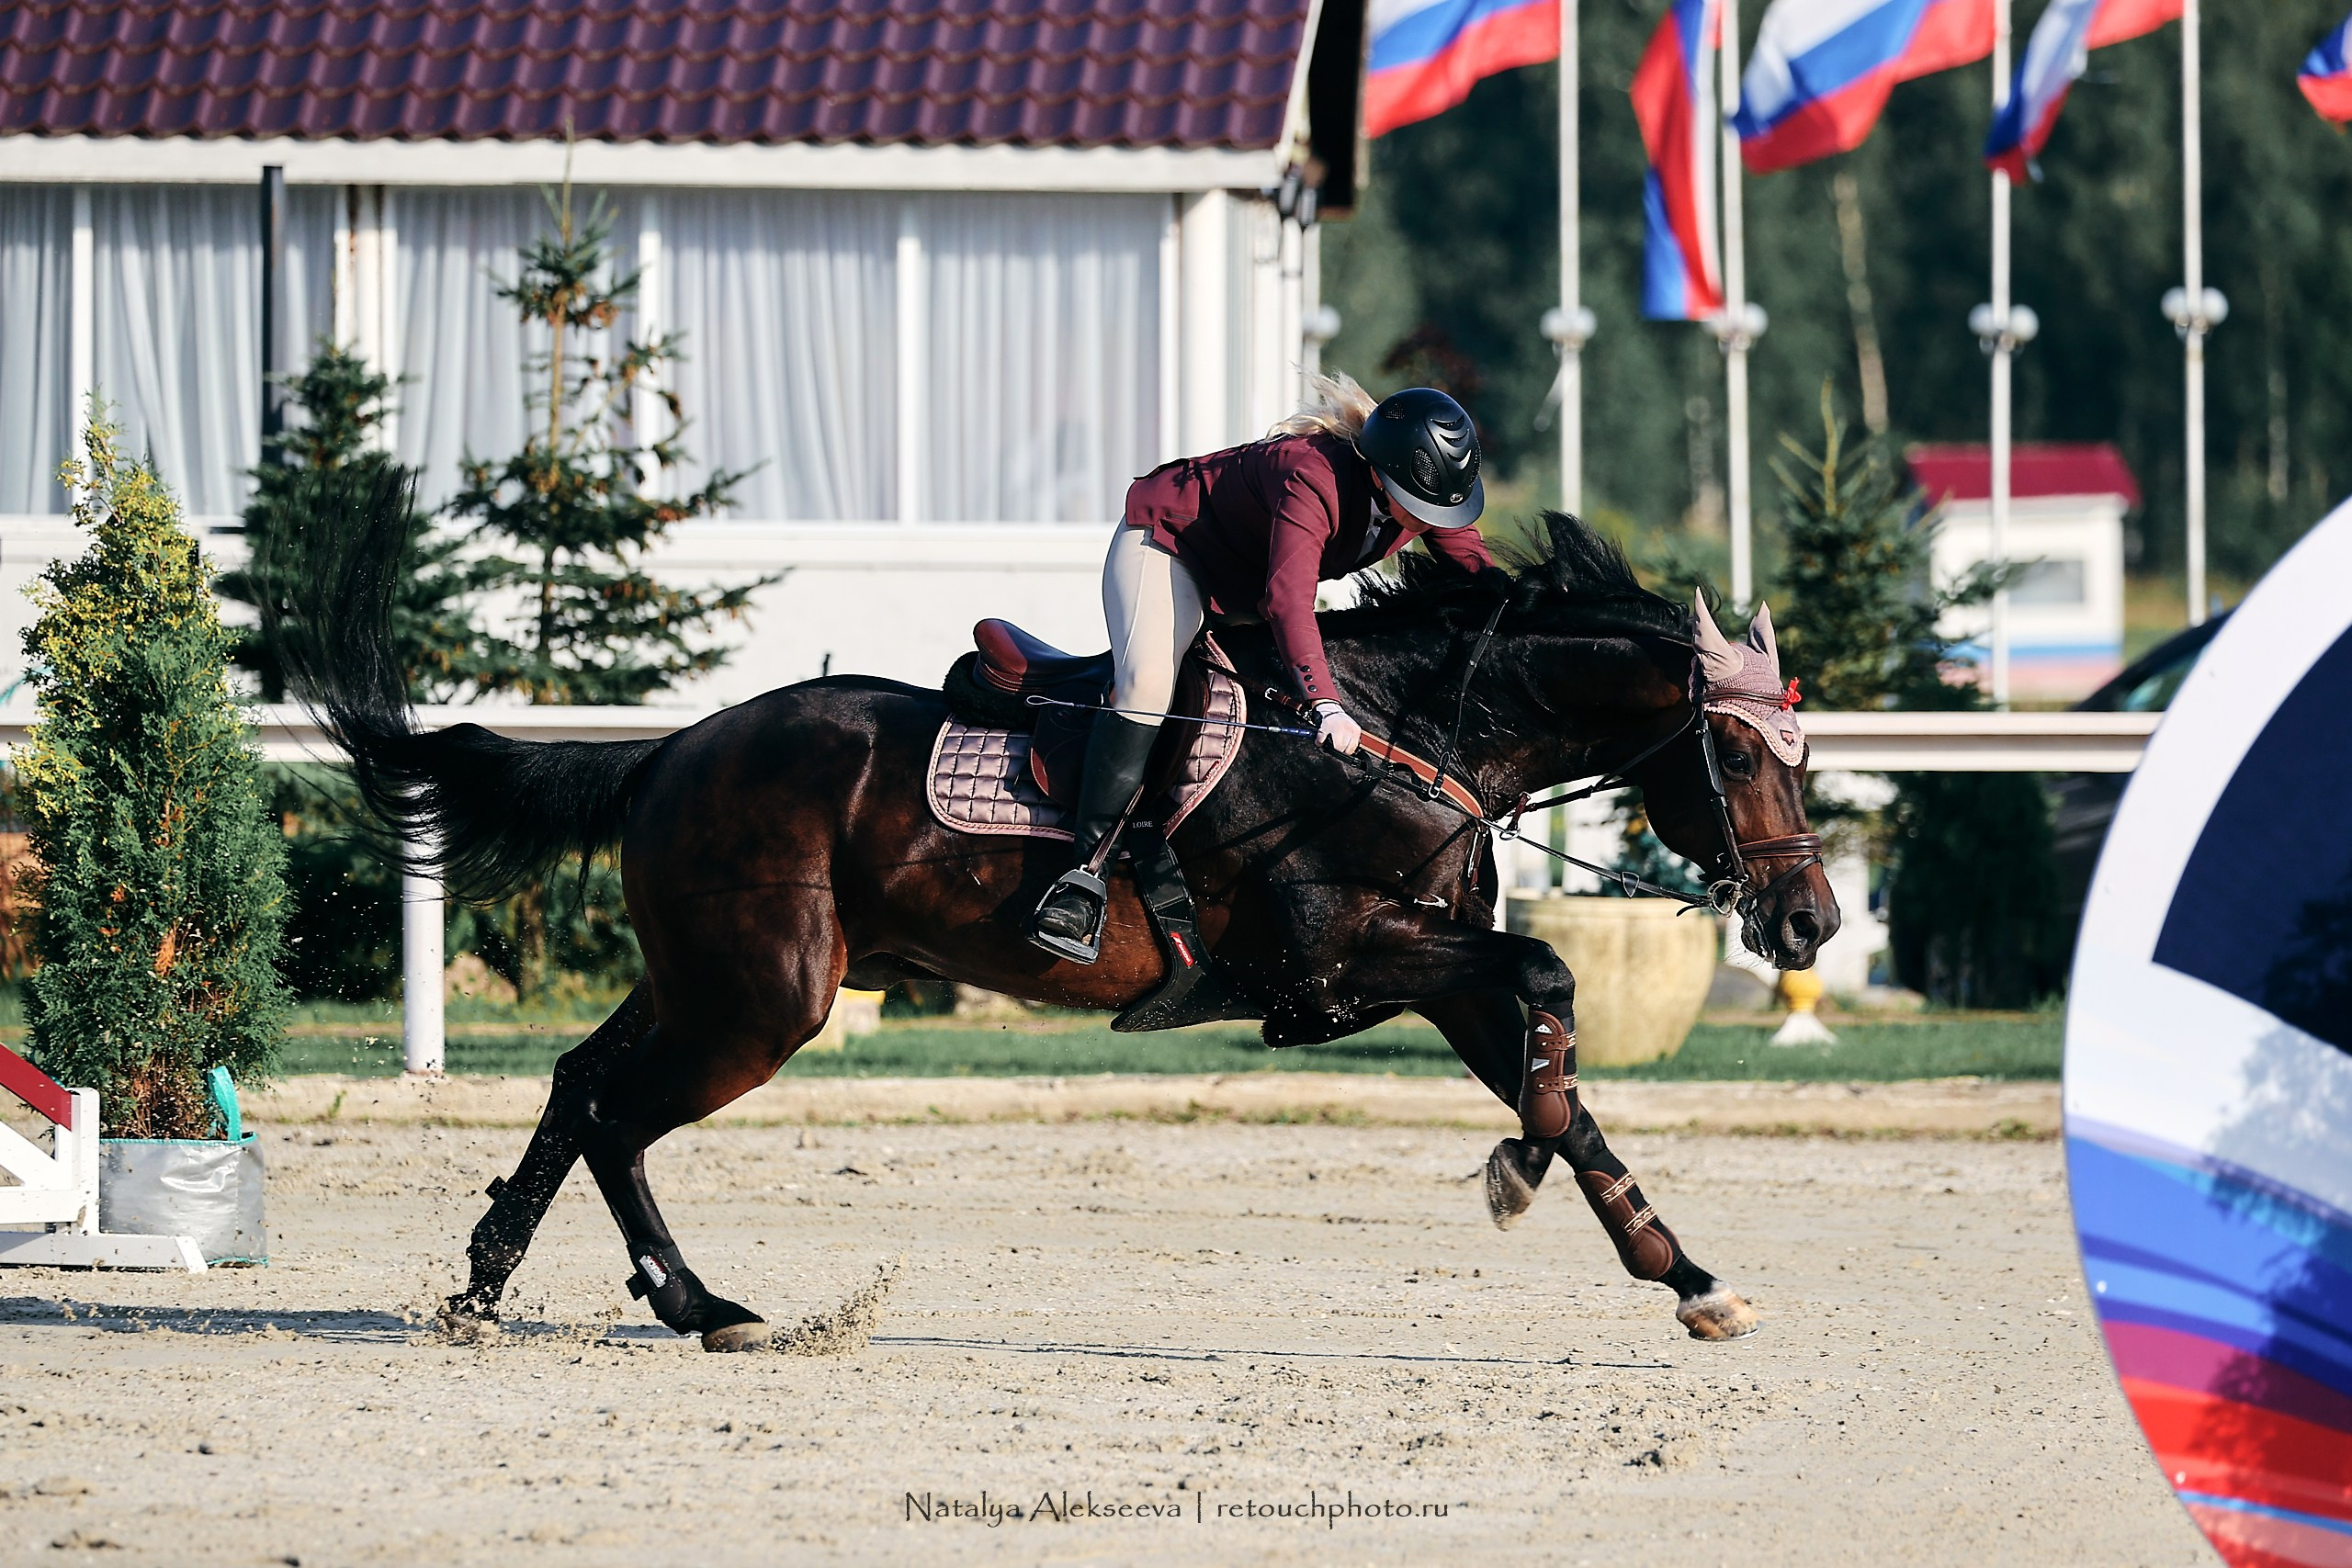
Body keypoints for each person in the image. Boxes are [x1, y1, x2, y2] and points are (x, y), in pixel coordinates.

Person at [1028, 375, 1510, 963]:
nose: (1423, 520)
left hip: (1241, 589)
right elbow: (1287, 601)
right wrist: (1326, 704)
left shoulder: (1416, 485)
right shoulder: (1313, 474)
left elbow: (1480, 575)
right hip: (1171, 549)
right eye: (1415, 505)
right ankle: (1083, 876)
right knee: (1149, 684)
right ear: (1376, 468)